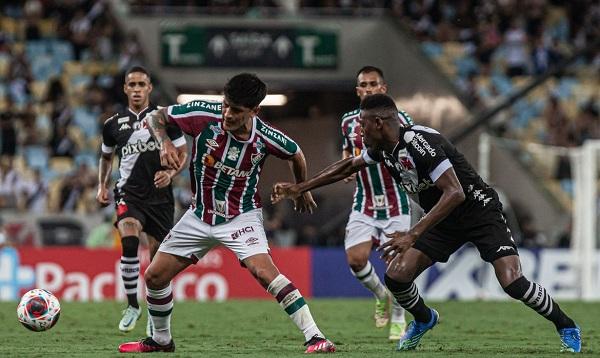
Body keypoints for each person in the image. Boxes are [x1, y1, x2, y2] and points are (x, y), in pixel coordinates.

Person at [271, 93, 581, 353]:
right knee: (397, 276)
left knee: (512, 281)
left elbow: (455, 192)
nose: (359, 131)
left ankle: (566, 324)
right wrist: (301, 186)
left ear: (378, 123)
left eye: (363, 125)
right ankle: (423, 318)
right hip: (443, 219)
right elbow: (347, 167)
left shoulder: (420, 141)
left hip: (478, 211)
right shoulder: (382, 148)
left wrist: (412, 233)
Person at [118, 73, 335, 354]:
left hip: (240, 216)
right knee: (155, 277)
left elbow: (296, 153)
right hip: (199, 214)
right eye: (226, 105)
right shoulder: (203, 114)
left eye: (237, 110)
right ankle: (161, 340)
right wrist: (165, 143)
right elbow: (156, 117)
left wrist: (302, 188)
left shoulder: (266, 137)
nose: (228, 114)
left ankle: (316, 337)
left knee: (265, 272)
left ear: (255, 111)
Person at [97, 66, 188, 335]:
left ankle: (153, 315)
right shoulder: (112, 124)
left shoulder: (164, 119)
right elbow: (106, 157)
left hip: (160, 199)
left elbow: (182, 153)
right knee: (128, 234)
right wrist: (101, 185)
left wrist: (171, 173)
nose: (136, 89)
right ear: (125, 88)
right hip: (129, 193)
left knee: (158, 264)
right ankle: (131, 305)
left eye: (141, 84)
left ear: (149, 88)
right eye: (132, 84)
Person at [340, 66, 412, 340]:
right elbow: (347, 150)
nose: (368, 88)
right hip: (365, 201)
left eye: (373, 84)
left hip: (397, 203)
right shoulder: (348, 122)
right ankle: (382, 296)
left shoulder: (402, 120)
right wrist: (347, 167)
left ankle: (398, 317)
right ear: (358, 91)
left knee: (397, 267)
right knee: (356, 259)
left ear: (383, 88)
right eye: (363, 85)